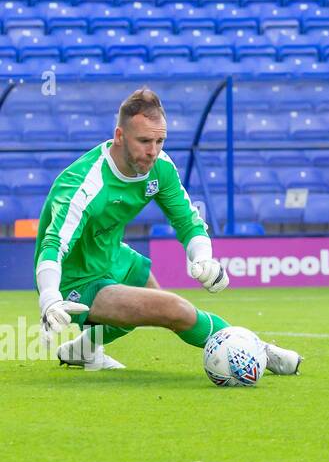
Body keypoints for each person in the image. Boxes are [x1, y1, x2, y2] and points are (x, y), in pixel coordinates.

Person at [35, 87, 302, 376]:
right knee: (171, 308)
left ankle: (82, 350)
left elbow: (188, 221)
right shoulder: (84, 184)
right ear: (120, 136)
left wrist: (203, 257)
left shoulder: (159, 167)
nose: (153, 151)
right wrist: (49, 296)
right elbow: (53, 245)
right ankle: (261, 351)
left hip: (111, 254)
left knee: (146, 297)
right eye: (145, 141)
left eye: (160, 140)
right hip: (73, 276)